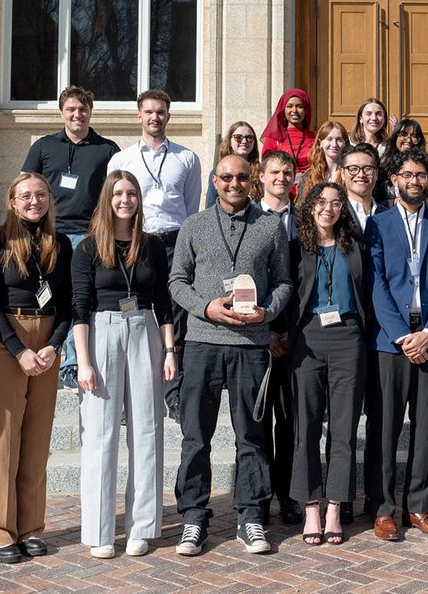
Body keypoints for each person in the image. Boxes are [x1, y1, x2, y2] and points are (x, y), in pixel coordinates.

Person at [169, 154, 293, 556]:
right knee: (195, 435)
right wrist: (205, 307)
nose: (234, 184)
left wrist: (267, 312)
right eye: (226, 177)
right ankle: (193, 517)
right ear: (214, 180)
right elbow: (177, 281)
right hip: (203, 343)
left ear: (251, 179)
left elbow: (284, 282)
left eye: (241, 177)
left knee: (252, 435)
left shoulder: (269, 226)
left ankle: (251, 516)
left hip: (251, 345)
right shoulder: (194, 225)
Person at [72, 170, 176, 558]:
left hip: (145, 329)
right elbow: (79, 306)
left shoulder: (151, 246)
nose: (125, 200)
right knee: (100, 435)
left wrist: (170, 350)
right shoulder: (88, 248)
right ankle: (99, 530)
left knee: (147, 430)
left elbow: (163, 301)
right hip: (102, 331)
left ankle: (141, 526)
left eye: (132, 193)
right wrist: (84, 361)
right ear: (107, 199)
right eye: (118, 193)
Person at [0, 172, 73, 564]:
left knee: (36, 437)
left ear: (50, 198)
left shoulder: (59, 243)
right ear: (12, 202)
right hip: (4, 340)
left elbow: (68, 302)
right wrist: (18, 350)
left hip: (46, 342)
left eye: (41, 194)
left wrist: (53, 344)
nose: (34, 201)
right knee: (1, 440)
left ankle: (30, 527)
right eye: (25, 195)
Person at [364, 150, 428, 541]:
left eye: (421, 175)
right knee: (385, 427)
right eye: (407, 174)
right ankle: (383, 509)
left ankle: (418, 507)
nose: (414, 181)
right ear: (395, 180)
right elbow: (376, 283)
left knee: (426, 427)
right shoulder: (378, 223)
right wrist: (403, 335)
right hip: (392, 342)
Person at [107, 89, 201, 419]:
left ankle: (174, 395)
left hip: (175, 243)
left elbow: (191, 208)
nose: (154, 117)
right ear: (139, 116)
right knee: (131, 312)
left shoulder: (187, 158)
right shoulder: (122, 160)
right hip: (136, 242)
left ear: (168, 116)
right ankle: (126, 397)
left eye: (160, 112)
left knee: (175, 315)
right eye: (149, 112)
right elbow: (114, 205)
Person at [288, 182, 371, 546]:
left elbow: (366, 293)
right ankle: (310, 508)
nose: (328, 209)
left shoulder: (355, 248)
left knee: (343, 428)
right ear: (310, 207)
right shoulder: (296, 248)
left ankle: (335, 506)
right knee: (306, 427)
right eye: (321, 202)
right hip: (307, 338)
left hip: (348, 338)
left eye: (336, 203)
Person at [21, 86, 118, 387]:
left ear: (91, 111)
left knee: (80, 297)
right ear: (62, 112)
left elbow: (116, 193)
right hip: (48, 234)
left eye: (83, 109)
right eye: (71, 109)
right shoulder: (43, 146)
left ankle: (73, 364)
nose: (78, 115)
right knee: (46, 294)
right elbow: (24, 185)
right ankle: (42, 352)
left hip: (89, 236)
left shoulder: (107, 149)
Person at [256, 149, 301, 527]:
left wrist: (289, 330)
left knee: (288, 422)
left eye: (287, 172)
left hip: (295, 335)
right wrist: (265, 328)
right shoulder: (249, 219)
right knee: (257, 422)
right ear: (261, 176)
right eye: (275, 172)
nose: (281, 178)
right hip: (256, 334)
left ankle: (286, 495)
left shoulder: (304, 221)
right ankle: (258, 498)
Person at [381, 119, 428, 210]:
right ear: (395, 137)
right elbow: (375, 201)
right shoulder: (383, 168)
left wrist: (419, 203)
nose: (409, 140)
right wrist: (394, 203)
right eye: (403, 134)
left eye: (414, 136)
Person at [260, 88, 316, 181]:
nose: (294, 110)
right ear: (283, 110)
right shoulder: (274, 138)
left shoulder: (314, 138)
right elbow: (267, 167)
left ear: (306, 110)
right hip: (282, 184)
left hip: (310, 185)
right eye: (289, 106)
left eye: (300, 106)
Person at [204, 121, 261, 207]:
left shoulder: (262, 172)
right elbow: (211, 206)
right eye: (238, 137)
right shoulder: (217, 172)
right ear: (229, 141)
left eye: (249, 138)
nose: (244, 141)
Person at [294, 120, 348, 205]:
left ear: (345, 143)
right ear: (320, 143)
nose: (334, 144)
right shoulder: (308, 176)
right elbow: (300, 207)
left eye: (339, 140)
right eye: (329, 139)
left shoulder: (350, 174)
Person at [342, 143, 385, 231]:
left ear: (376, 173)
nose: (361, 175)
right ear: (342, 173)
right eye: (353, 169)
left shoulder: (387, 215)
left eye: (367, 168)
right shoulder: (336, 213)